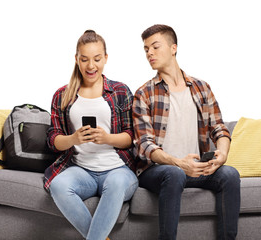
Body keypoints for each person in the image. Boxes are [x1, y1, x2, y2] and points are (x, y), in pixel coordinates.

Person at [132, 24, 240, 240]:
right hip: (158, 170)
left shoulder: (201, 88)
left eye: (155, 47)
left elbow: (219, 128)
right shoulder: (144, 94)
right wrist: (180, 163)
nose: (149, 54)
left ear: (174, 48)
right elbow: (145, 145)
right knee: (174, 173)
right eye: (146, 49)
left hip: (197, 167)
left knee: (230, 174)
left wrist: (222, 153)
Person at [44, 30, 138, 240]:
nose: (91, 66)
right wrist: (73, 139)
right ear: (76, 59)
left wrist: (107, 138)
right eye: (84, 59)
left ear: (106, 58)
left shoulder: (120, 91)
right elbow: (53, 139)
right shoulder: (62, 95)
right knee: (58, 185)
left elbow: (132, 136)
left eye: (97, 59)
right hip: (81, 170)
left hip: (117, 169)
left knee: (115, 184)